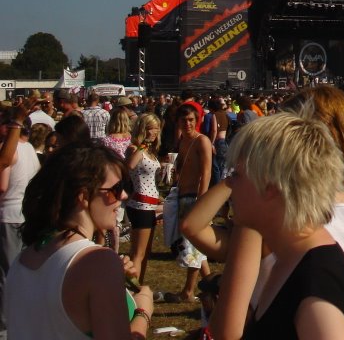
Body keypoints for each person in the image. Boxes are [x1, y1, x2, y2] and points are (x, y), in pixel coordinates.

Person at [224, 109, 344, 339]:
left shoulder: (316, 287)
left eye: (236, 174)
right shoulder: (294, 262)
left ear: (270, 185)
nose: (228, 183)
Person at [5, 142, 154, 339]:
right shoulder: (98, 262)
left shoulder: (23, 259)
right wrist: (142, 312)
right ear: (83, 196)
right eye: (116, 189)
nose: (124, 195)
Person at [0, 117, 41, 336]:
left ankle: (5, 326)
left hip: (7, 214)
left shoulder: (8, 150)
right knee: (23, 270)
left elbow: (2, 186)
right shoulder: (30, 148)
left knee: (7, 274)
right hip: (25, 213)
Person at [171, 101, 213, 303]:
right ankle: (212, 285)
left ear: (196, 121)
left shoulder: (201, 140)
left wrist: (201, 201)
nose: (187, 124)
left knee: (192, 246)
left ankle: (188, 290)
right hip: (182, 195)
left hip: (195, 198)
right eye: (184, 120)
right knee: (195, 245)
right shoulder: (183, 141)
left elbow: (206, 172)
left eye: (191, 120)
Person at [124, 113, 162, 283]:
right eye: (150, 128)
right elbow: (130, 165)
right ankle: (133, 289)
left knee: (144, 252)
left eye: (156, 128)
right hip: (141, 205)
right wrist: (143, 146)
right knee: (138, 254)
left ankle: (139, 283)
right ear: (142, 129)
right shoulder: (135, 148)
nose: (154, 132)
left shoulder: (151, 151)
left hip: (151, 203)